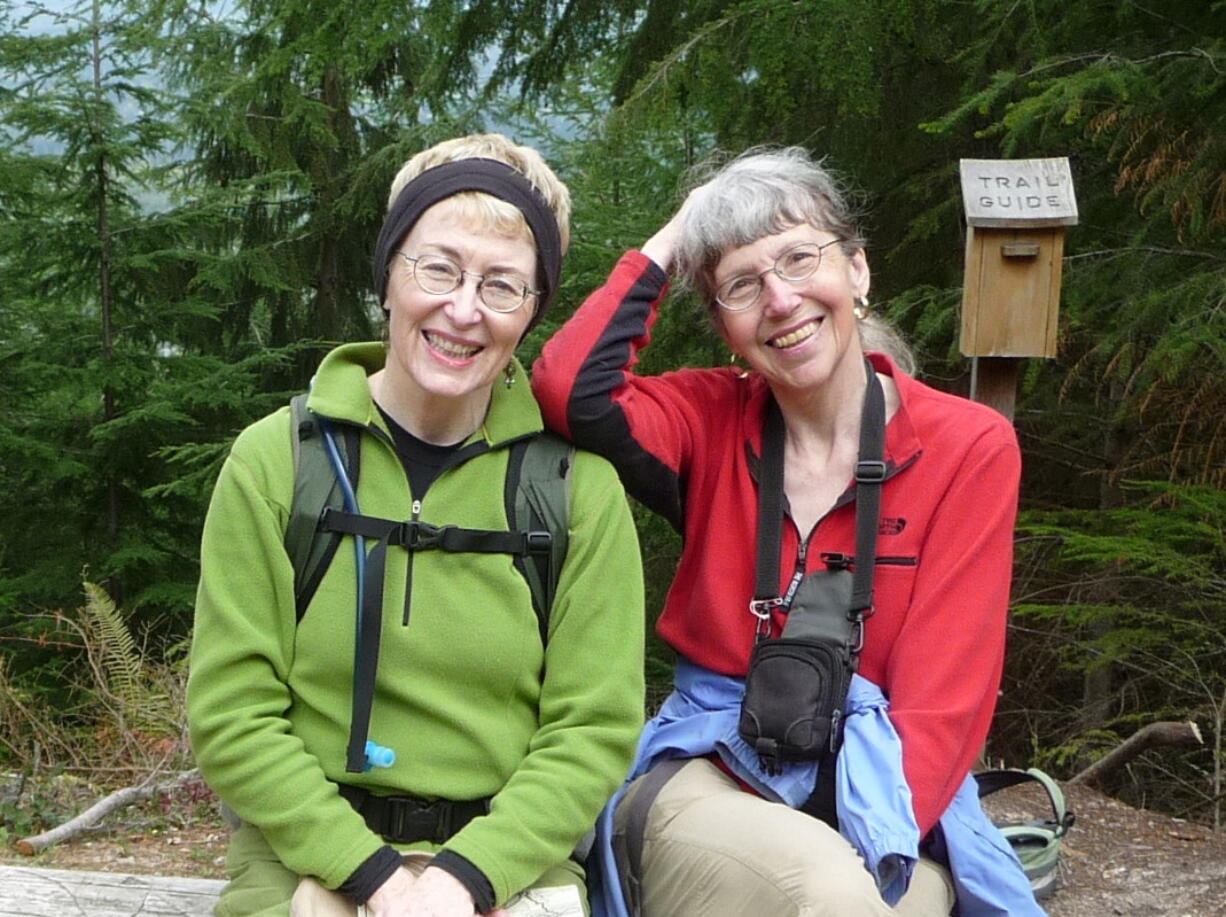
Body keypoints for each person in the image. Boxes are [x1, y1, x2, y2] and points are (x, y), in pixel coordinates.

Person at [532, 147, 1042, 916]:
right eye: (742, 284)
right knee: (829, 895)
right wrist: (678, 232)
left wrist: (863, 834)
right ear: (721, 323)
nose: (780, 299)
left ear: (858, 272)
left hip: (884, 785)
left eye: (800, 259)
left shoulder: (966, 447)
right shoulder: (708, 420)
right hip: (710, 760)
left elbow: (942, 707)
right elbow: (570, 386)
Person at [187, 133, 645, 917]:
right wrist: (370, 877)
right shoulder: (275, 463)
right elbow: (233, 713)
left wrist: (465, 878)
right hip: (306, 852)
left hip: (510, 862)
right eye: (438, 267)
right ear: (390, 274)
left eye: (503, 286)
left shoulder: (575, 490)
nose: (463, 310)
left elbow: (592, 730)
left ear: (533, 311)